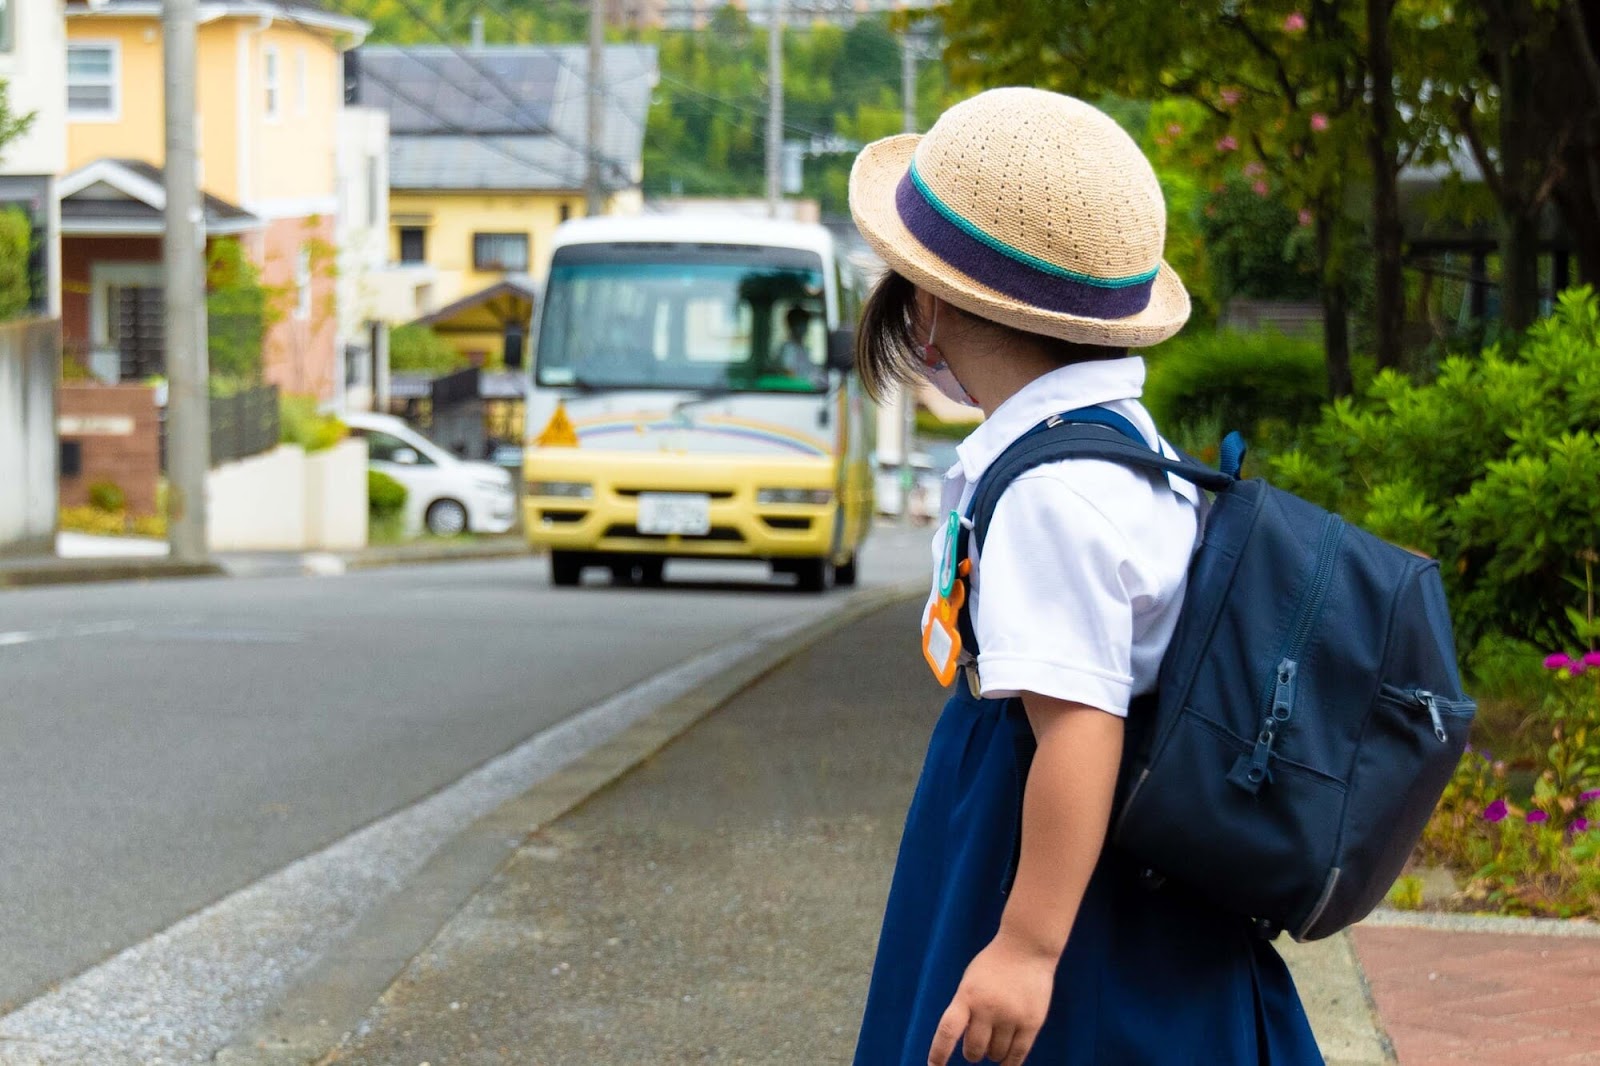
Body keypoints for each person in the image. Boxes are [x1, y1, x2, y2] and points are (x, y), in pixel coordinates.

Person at [847, 88, 1323, 1066]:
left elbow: (1080, 724)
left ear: (930, 305)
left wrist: (1024, 946)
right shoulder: (1117, 446)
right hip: (1109, 869)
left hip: (1061, 880)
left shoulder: (1050, 495)